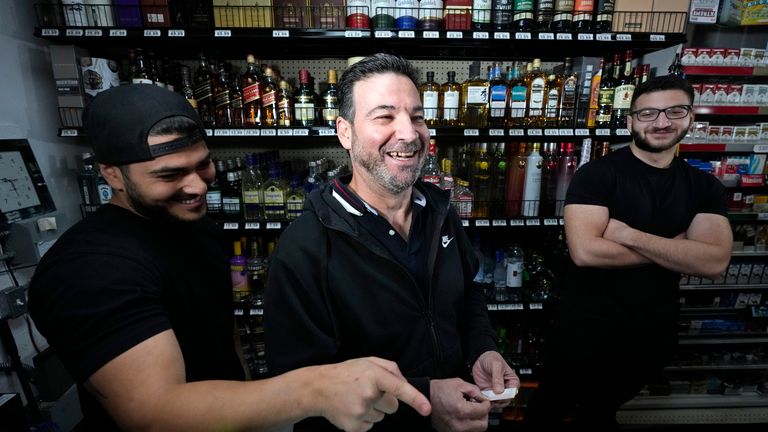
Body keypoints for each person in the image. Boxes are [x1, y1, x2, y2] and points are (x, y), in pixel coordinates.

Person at [27, 84, 431, 432]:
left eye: (203, 164)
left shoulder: (195, 227)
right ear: (112, 175)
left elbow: (222, 335)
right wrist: (315, 390)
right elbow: (152, 413)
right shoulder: (88, 267)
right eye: (169, 175)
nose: (196, 187)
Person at [264, 53, 519, 432]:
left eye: (417, 116)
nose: (410, 134)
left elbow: (467, 294)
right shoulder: (304, 248)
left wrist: (482, 348)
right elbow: (304, 396)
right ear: (344, 132)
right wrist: (425, 402)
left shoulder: (440, 213)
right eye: (384, 116)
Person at [523, 74, 733, 430]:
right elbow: (586, 252)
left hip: (652, 330)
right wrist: (678, 248)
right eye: (649, 113)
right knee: (549, 411)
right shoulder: (598, 175)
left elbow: (713, 262)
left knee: (602, 413)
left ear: (690, 118)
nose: (662, 122)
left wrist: (629, 235)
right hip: (585, 326)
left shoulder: (704, 186)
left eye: (674, 111)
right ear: (631, 119)